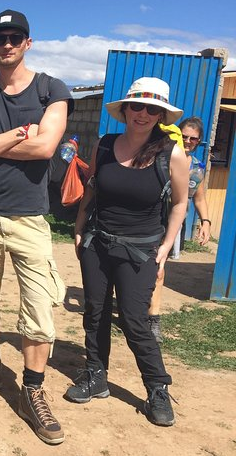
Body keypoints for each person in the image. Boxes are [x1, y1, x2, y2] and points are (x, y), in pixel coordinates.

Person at [0, 10, 71, 444]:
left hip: (30, 216)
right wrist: (18, 134)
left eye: (15, 37)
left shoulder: (51, 88)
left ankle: (33, 390)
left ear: (28, 42)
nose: (7, 43)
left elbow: (45, 147)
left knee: (39, 303)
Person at [67, 77, 188, 428]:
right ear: (126, 109)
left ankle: (157, 388)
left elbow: (180, 203)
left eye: (153, 108)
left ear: (161, 114)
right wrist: (79, 226)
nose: (144, 114)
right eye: (137, 105)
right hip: (98, 243)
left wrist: (165, 246)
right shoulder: (105, 145)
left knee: (136, 322)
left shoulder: (170, 153)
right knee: (95, 311)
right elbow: (92, 188)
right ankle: (96, 375)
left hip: (140, 250)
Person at [147, 116, 211, 342]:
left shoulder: (197, 169)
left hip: (171, 227)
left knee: (158, 268)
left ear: (199, 141)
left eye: (193, 139)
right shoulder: (159, 159)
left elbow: (199, 198)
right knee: (152, 269)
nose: (187, 141)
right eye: (184, 136)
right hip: (148, 221)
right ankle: (143, 311)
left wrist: (205, 221)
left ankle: (152, 318)